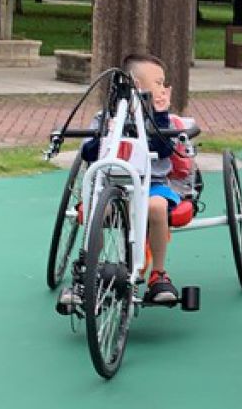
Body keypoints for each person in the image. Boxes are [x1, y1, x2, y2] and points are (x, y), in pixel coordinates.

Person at [60, 54, 184, 306]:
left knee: (157, 208)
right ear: (136, 84)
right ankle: (90, 272)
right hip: (112, 185)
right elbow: (88, 153)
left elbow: (164, 150)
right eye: (158, 82)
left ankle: (158, 274)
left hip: (152, 185)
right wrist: (106, 133)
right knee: (96, 208)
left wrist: (159, 116)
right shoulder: (104, 116)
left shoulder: (164, 120)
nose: (164, 88)